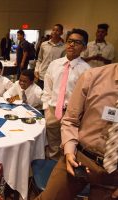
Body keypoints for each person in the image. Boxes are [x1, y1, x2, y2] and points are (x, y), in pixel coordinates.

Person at [35, 63, 118, 200]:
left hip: (113, 172)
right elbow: (71, 120)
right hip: (79, 158)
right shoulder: (93, 76)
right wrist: (69, 152)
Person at [41, 29, 90, 160]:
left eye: (77, 42)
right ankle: (50, 170)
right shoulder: (54, 64)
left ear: (84, 47)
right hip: (52, 111)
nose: (72, 45)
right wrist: (46, 108)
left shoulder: (87, 70)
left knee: (69, 145)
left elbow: (86, 97)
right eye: (70, 41)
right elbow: (47, 88)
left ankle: (63, 170)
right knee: (52, 144)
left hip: (72, 115)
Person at [35, 24, 66, 89]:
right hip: (42, 75)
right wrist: (37, 70)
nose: (54, 32)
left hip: (54, 77)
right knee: (39, 95)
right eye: (53, 30)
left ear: (61, 33)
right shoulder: (44, 44)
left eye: (57, 30)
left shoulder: (64, 47)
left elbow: (64, 63)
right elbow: (39, 59)